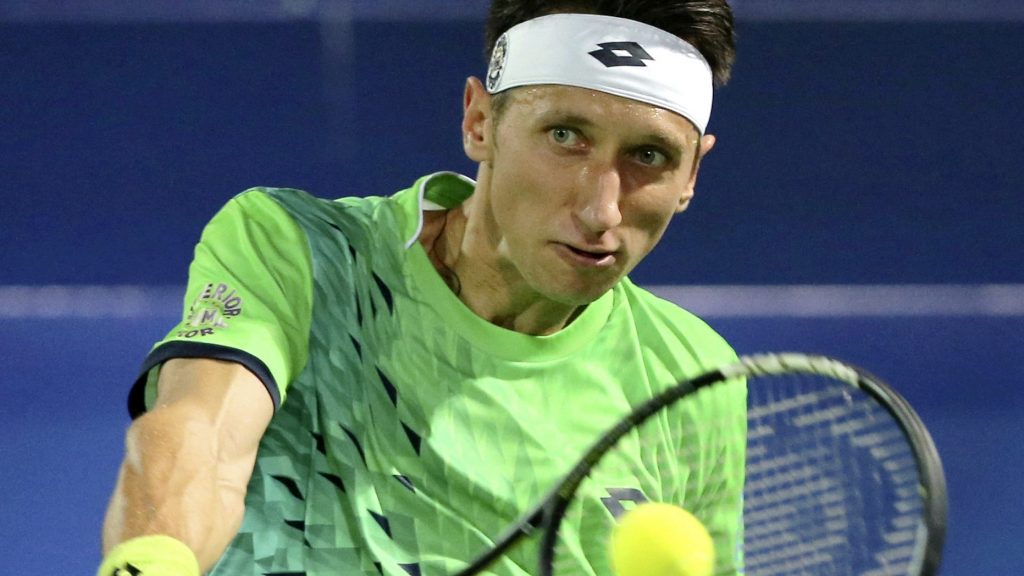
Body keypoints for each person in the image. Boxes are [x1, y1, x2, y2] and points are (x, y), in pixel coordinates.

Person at [98, 1, 743, 574]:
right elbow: (204, 439)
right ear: (480, 122)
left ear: (692, 174)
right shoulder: (305, 252)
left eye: (649, 156)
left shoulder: (692, 376)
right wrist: (152, 564)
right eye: (565, 136)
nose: (602, 210)